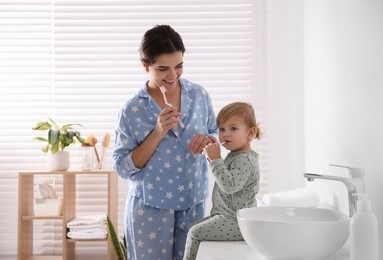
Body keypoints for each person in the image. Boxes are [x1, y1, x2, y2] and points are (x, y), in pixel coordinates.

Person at [113, 25, 218, 260]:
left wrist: (209, 140)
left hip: (193, 204)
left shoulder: (198, 95)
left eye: (178, 66)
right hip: (150, 207)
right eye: (162, 69)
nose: (172, 76)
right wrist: (157, 132)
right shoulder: (132, 110)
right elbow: (122, 167)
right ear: (145, 65)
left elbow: (216, 134)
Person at [183, 101, 261, 260]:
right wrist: (212, 155)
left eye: (233, 128)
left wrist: (216, 159)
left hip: (237, 220)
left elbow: (229, 185)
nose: (225, 134)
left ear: (250, 133)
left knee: (194, 233)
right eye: (221, 129)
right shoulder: (236, 155)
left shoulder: (245, 159)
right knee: (195, 227)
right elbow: (223, 174)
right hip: (226, 216)